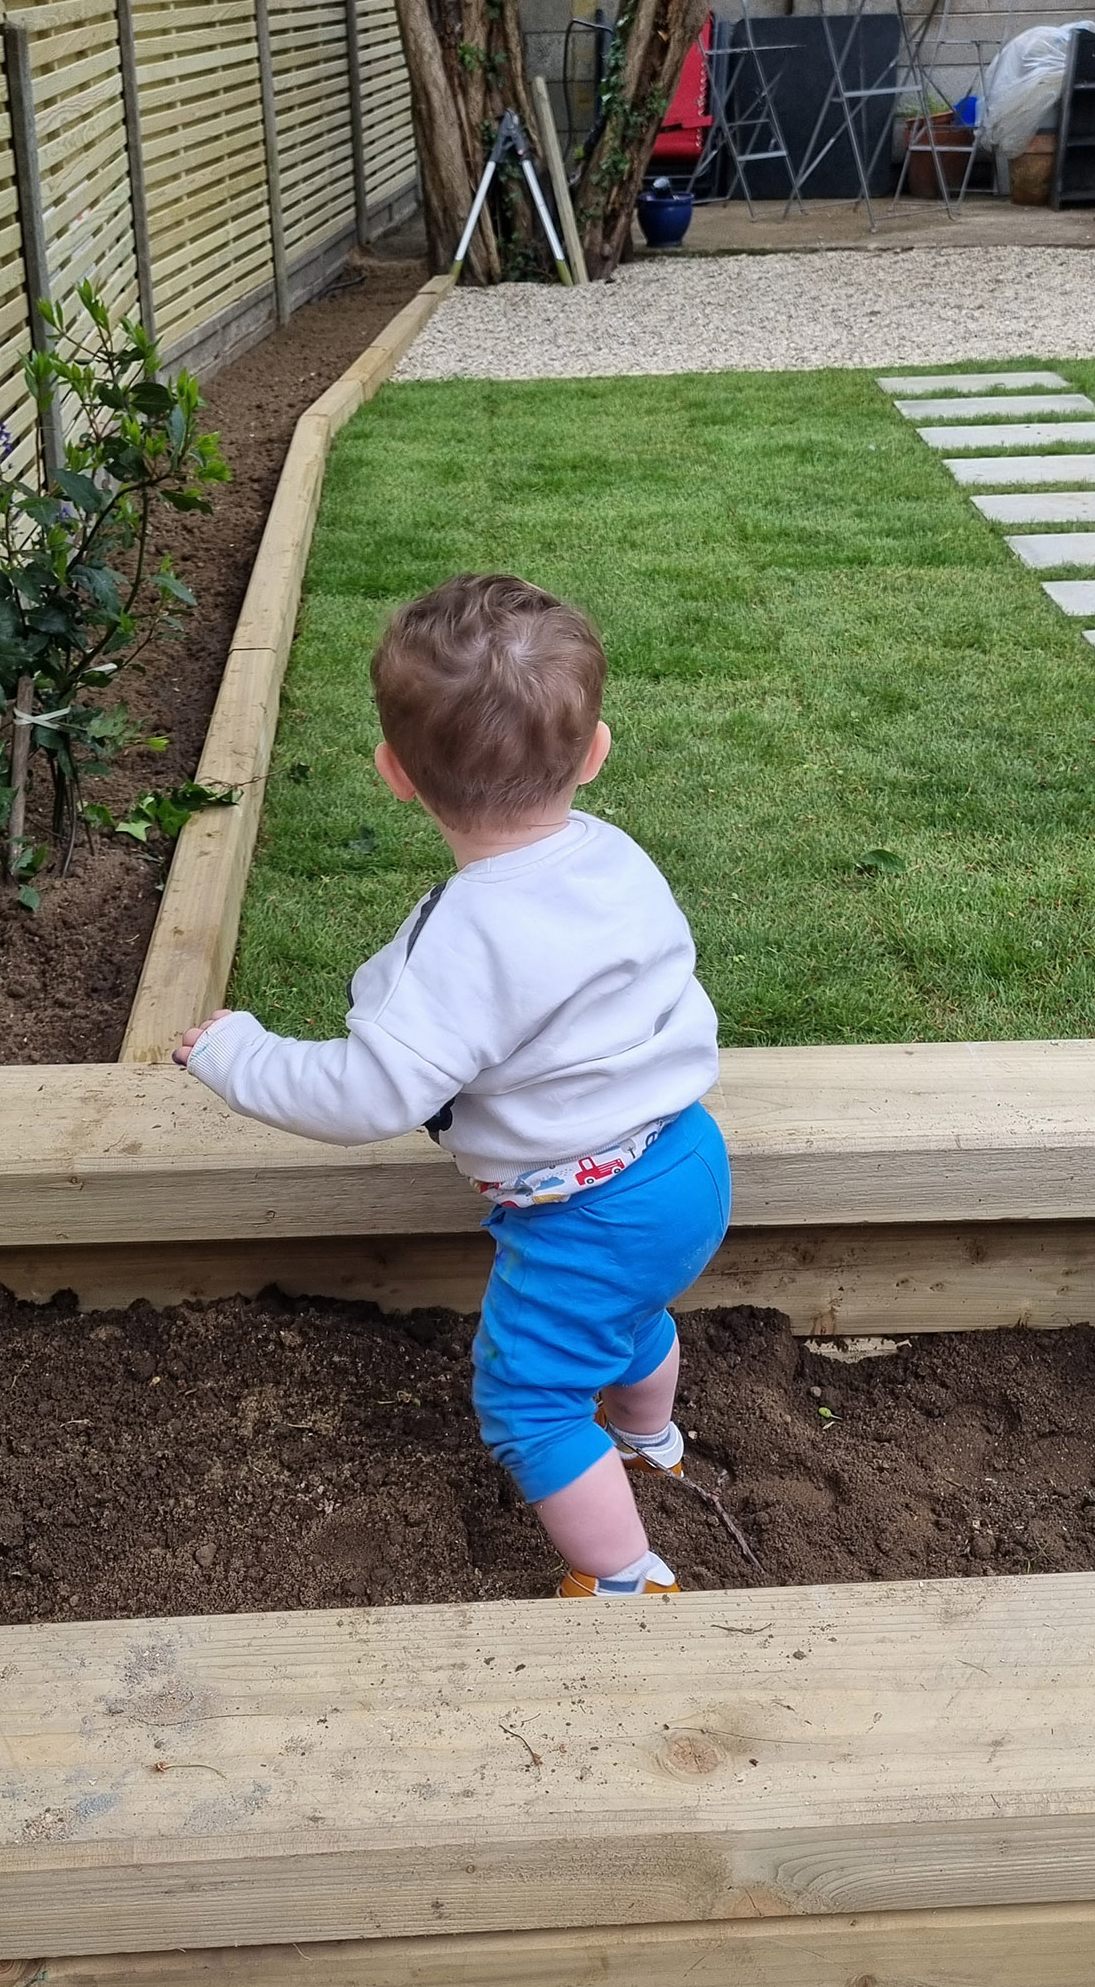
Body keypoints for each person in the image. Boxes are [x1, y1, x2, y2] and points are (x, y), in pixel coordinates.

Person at [175, 574, 728, 1597]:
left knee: (529, 1402)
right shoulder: (612, 856)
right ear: (595, 751)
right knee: (629, 1318)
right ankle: (651, 1445)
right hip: (687, 1160)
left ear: (393, 773)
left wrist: (231, 1052)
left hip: (587, 1212)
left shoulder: (460, 940)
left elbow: (365, 1094)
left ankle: (623, 1577)